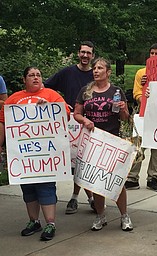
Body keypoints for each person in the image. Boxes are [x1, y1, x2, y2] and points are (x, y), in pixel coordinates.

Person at [0, 66, 71, 241]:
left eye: (38, 75)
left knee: (46, 187)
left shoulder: (52, 95)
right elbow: (2, 122)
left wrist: (50, 108)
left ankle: (50, 223)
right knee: (28, 189)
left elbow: (65, 114)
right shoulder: (13, 100)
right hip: (23, 156)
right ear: (24, 79)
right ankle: (34, 221)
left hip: (46, 155)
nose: (35, 77)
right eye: (31, 75)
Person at [73, 57, 133, 232]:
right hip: (92, 142)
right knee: (96, 182)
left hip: (112, 140)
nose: (96, 71)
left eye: (100, 68)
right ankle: (100, 216)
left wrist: (123, 108)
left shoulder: (116, 91)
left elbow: (125, 118)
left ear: (108, 72)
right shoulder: (86, 91)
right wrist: (85, 120)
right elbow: (76, 113)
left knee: (117, 180)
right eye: (94, 68)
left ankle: (124, 216)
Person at [44, 41, 96, 214]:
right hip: (71, 122)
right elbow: (46, 87)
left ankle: (83, 198)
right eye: (83, 52)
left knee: (87, 161)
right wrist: (60, 104)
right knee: (75, 161)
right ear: (78, 53)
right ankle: (83, 198)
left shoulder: (95, 75)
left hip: (91, 122)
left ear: (92, 56)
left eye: (88, 53)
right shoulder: (67, 73)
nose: (85, 56)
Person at [125, 43, 157, 192]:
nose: (153, 56)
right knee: (138, 146)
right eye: (151, 53)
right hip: (143, 113)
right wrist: (144, 96)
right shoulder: (141, 73)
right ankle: (132, 178)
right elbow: (136, 93)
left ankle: (152, 178)